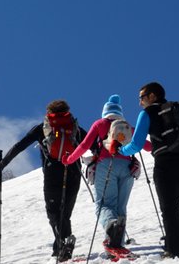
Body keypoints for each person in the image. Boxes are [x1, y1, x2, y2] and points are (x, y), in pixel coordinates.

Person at [118, 82, 179, 258]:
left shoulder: (147, 113)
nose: (140, 103)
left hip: (165, 164)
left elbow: (136, 144)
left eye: (142, 98)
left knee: (169, 208)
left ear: (152, 96)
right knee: (175, 205)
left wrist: (120, 150)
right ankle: (174, 244)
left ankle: (175, 251)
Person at [0, 99, 86, 261]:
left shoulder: (42, 128)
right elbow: (93, 144)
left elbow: (20, 146)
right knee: (64, 214)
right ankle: (61, 245)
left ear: (48, 113)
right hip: (73, 172)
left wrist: (3, 163)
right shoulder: (75, 128)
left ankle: (64, 243)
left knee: (53, 213)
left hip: (52, 174)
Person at [63, 94, 150, 250]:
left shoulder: (100, 124)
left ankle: (110, 228)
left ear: (105, 111)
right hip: (128, 168)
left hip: (106, 166)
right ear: (119, 112)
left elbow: (84, 145)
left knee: (104, 205)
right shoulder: (128, 127)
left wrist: (69, 160)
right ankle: (117, 244)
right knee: (120, 208)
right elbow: (146, 145)